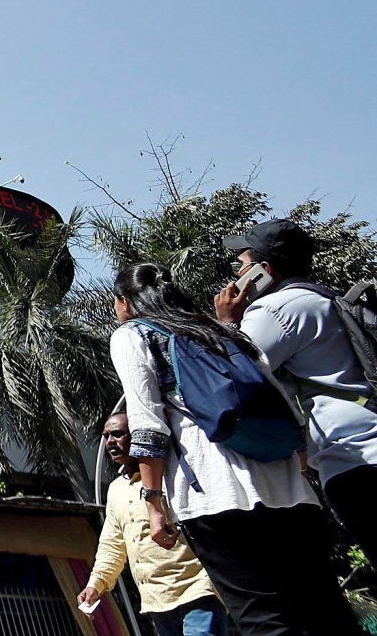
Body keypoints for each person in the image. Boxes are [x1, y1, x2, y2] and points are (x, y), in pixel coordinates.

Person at [109, 262, 359, 635]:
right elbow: (287, 407)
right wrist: (304, 474)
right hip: (288, 487)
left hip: (214, 495)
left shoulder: (133, 334)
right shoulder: (225, 334)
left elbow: (147, 426)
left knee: (261, 615)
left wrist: (153, 502)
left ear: (124, 302)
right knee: (324, 611)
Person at [215, 218, 376, 555]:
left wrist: (228, 323)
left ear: (264, 270)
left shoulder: (275, 310)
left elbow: (231, 375)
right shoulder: (325, 299)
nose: (235, 274)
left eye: (240, 265)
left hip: (355, 461)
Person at [79, 412, 229, 635]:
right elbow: (112, 545)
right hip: (156, 602)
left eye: (118, 434)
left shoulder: (172, 474)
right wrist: (96, 584)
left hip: (197, 591)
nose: (110, 442)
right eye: (106, 436)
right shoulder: (116, 490)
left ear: (138, 435)